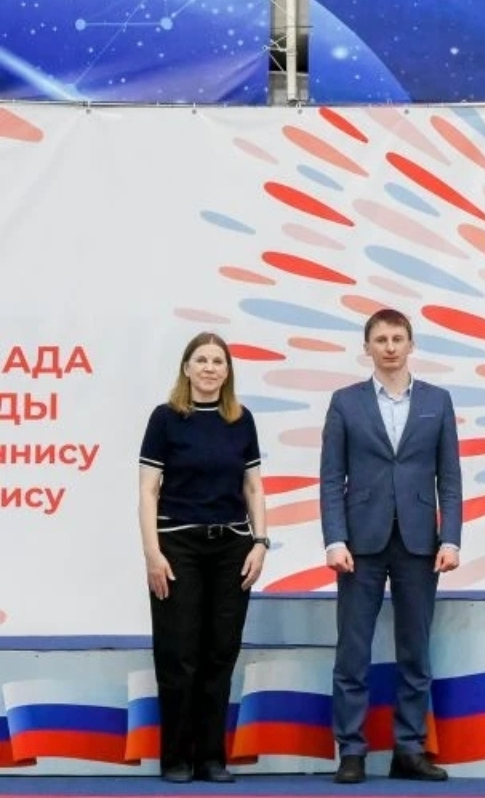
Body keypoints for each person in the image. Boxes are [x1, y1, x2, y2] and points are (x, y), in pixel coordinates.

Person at [320, 309, 463, 785]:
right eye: (380, 339)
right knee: (352, 653)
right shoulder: (345, 402)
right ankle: (352, 751)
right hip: (359, 544)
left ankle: (409, 749)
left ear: (410, 344)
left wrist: (451, 537)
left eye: (397, 338)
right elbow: (330, 478)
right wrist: (334, 539)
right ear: (367, 347)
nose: (389, 347)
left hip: (420, 543)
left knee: (415, 652)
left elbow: (450, 478)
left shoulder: (438, 401)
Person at [137, 332, 269, 785]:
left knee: (220, 653)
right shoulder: (166, 419)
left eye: (218, 361)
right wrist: (152, 553)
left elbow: (253, 487)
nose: (210, 368)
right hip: (178, 548)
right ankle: (176, 758)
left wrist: (260, 542)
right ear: (187, 368)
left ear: (227, 370)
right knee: (179, 654)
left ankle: (212, 758)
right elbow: (148, 491)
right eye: (202, 360)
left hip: (233, 548)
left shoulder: (241, 420)